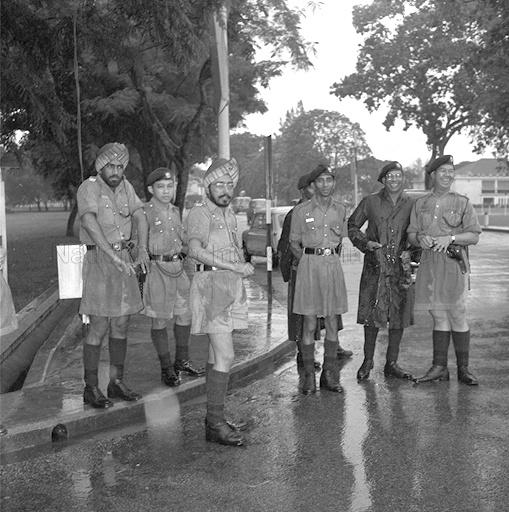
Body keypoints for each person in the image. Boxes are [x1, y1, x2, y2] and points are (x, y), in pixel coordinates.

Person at [185, 157, 254, 446]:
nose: (225, 190)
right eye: (220, 184)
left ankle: (215, 419)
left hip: (228, 287)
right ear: (208, 186)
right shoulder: (200, 213)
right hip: (211, 288)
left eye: (230, 184)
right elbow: (194, 250)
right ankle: (214, 422)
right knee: (225, 356)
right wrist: (234, 268)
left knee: (216, 357)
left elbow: (233, 250)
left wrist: (241, 267)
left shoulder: (229, 214)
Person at [77, 142, 149, 408]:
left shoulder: (126, 188)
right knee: (99, 325)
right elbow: (89, 222)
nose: (116, 171)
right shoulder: (90, 187)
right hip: (100, 260)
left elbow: (140, 215)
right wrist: (113, 256)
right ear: (101, 166)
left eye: (120, 166)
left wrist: (142, 249)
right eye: (111, 165)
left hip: (125, 262)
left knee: (121, 324)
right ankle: (91, 387)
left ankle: (116, 382)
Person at [407, 155, 481, 385]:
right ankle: (439, 367)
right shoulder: (420, 204)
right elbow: (411, 234)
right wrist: (421, 238)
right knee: (437, 314)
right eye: (443, 171)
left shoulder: (463, 202)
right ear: (433, 175)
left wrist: (450, 237)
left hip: (453, 263)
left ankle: (463, 369)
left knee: (457, 313)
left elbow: (474, 235)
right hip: (429, 264)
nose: (448, 175)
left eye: (451, 171)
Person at [348, 161, 415, 381]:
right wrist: (365, 243)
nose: (394, 179)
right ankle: (367, 361)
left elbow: (418, 231)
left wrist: (413, 253)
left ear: (402, 178)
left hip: (399, 268)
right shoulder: (370, 202)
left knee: (399, 315)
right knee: (372, 316)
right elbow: (353, 225)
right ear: (383, 180)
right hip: (375, 267)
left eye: (398, 175)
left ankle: (392, 363)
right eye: (390, 176)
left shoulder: (411, 203)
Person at [278, 173, 350, 369]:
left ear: (334, 182)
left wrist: (328, 258)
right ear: (310, 186)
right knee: (308, 322)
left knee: (332, 320)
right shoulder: (299, 212)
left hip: (331, 268)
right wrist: (308, 261)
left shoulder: (340, 210)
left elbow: (340, 241)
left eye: (328, 180)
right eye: (319, 181)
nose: (324, 185)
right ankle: (308, 372)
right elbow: (289, 244)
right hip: (307, 269)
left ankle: (329, 374)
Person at [139, 167, 203, 388]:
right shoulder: (144, 212)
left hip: (178, 268)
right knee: (159, 319)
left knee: (185, 316)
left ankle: (181, 361)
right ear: (150, 189)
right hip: (157, 269)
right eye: (160, 187)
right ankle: (166, 368)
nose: (166, 191)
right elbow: (139, 245)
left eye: (169, 186)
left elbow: (182, 240)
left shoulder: (176, 211)